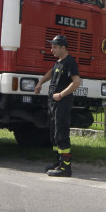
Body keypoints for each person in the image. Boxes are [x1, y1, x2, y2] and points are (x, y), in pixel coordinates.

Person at [35, 34, 82, 177]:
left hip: (62, 103)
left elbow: (76, 82)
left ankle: (65, 167)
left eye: (54, 47)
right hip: (53, 103)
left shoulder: (70, 62)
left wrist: (61, 94)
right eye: (52, 47)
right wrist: (40, 83)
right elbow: (51, 73)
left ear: (63, 48)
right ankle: (59, 162)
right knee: (54, 134)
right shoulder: (59, 62)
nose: (51, 50)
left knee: (61, 134)